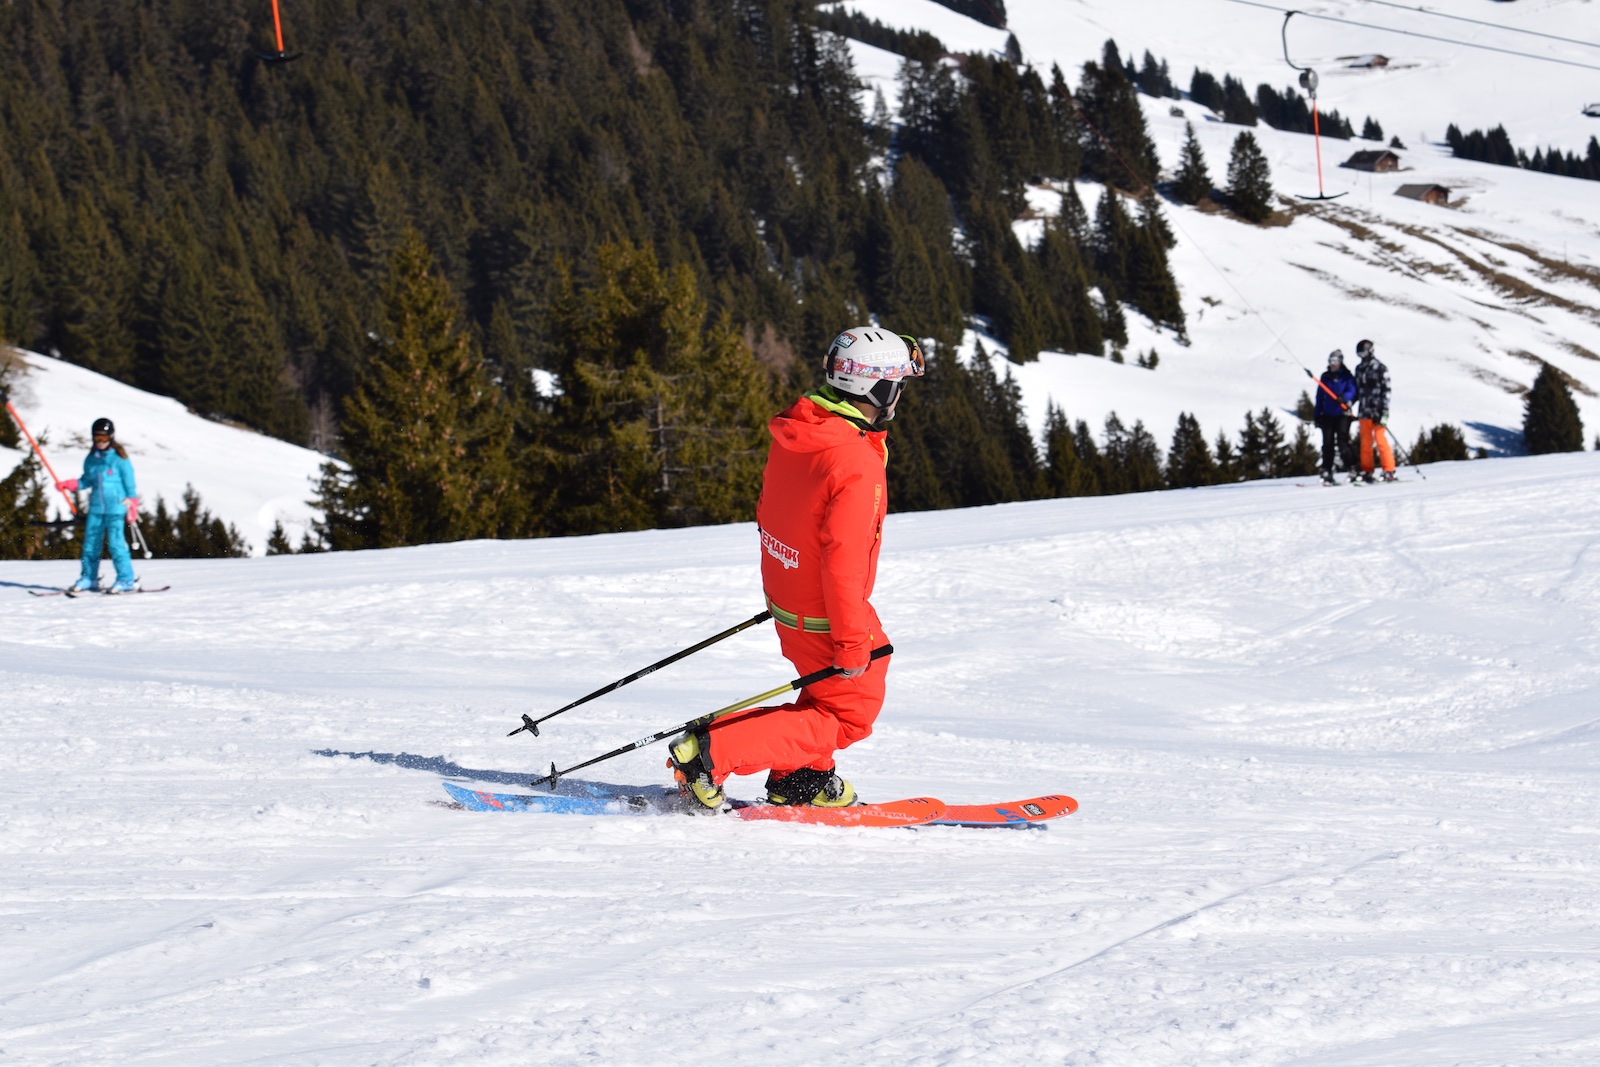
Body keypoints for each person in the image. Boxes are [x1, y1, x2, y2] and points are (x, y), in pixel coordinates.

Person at [667, 327, 925, 812]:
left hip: (791, 596)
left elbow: (774, 512)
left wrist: (785, 591)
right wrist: (851, 642)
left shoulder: (802, 431)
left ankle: (802, 778)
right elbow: (844, 560)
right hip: (825, 609)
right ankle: (710, 754)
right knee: (850, 714)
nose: (900, 395)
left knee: (827, 696)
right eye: (898, 384)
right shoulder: (853, 459)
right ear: (878, 388)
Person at [55, 417, 141, 593]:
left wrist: (132, 504)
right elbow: (86, 480)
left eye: (104, 438)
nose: (100, 441)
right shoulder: (91, 459)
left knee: (116, 545)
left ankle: (126, 580)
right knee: (90, 545)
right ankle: (89, 578)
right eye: (97, 437)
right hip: (96, 508)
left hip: (116, 508)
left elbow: (130, 485)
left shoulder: (120, 459)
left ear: (111, 437)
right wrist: (70, 484)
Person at [1353, 338, 1397, 483]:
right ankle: (1367, 470)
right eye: (1360, 354)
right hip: (1364, 411)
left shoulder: (1380, 368)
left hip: (1378, 411)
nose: (1362, 357)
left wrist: (1384, 411)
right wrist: (1349, 403)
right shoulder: (1359, 369)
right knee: (1365, 443)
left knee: (1380, 439)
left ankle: (1389, 470)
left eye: (1364, 353)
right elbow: (1357, 391)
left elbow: (1386, 390)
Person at [1313, 349, 1358, 486]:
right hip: (1327, 414)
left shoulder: (1347, 376)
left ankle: (1352, 468)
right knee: (1327, 444)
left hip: (1342, 414)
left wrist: (1344, 398)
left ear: (1340, 362)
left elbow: (1353, 391)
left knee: (1343, 443)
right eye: (1331, 361)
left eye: (1335, 361)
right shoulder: (1325, 377)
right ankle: (1326, 470)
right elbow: (1320, 396)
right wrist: (1317, 415)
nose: (1333, 364)